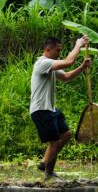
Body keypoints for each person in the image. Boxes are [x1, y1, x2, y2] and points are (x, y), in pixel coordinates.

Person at [29, 35, 91, 181]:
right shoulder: (42, 63)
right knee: (55, 141)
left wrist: (82, 67)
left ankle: (46, 164)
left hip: (50, 109)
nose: (59, 54)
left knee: (66, 135)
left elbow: (66, 77)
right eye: (58, 50)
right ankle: (47, 169)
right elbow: (68, 62)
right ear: (48, 49)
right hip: (41, 109)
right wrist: (78, 44)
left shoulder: (50, 66)